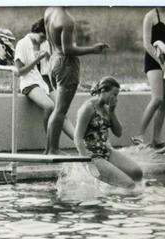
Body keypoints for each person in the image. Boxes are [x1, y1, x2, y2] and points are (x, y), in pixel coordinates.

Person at [44, 7, 108, 154]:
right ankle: (53, 150)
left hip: (53, 60)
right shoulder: (67, 20)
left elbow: (52, 41)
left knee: (57, 110)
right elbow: (68, 50)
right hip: (66, 64)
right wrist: (93, 49)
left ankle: (48, 149)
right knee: (60, 110)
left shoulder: (50, 11)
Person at [14, 18, 75, 152]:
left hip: (44, 81)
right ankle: (50, 148)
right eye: (42, 36)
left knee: (61, 110)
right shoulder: (22, 44)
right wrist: (37, 59)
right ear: (36, 30)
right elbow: (18, 72)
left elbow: (49, 69)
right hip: (29, 82)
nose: (43, 40)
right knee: (49, 106)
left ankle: (80, 143)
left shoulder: (44, 43)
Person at [74, 76, 143, 188]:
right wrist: (88, 163)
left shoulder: (106, 108)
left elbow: (118, 133)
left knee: (137, 173)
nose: (115, 98)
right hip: (92, 156)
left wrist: (112, 112)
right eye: (114, 94)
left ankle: (116, 192)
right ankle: (119, 201)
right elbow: (77, 138)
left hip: (106, 151)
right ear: (103, 91)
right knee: (128, 185)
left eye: (117, 95)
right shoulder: (88, 108)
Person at [131, 8, 165, 149]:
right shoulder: (150, 16)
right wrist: (161, 63)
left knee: (164, 103)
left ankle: (156, 139)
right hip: (154, 61)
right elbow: (146, 44)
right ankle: (138, 135)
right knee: (157, 98)